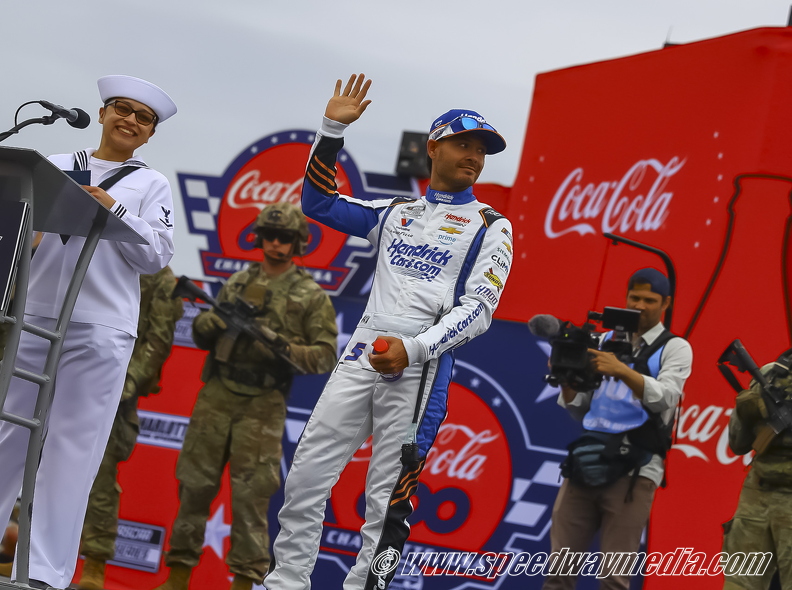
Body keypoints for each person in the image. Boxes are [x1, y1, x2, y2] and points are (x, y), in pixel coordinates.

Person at [264, 74, 513, 590]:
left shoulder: (492, 225)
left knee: (386, 502)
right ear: (433, 148)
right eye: (464, 144)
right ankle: (285, 582)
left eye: (481, 150)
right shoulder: (396, 212)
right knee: (306, 476)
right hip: (361, 353)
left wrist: (414, 349)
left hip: (421, 366)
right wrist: (332, 130)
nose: (474, 156)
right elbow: (318, 204)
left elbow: (480, 310)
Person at [0, 74, 177, 590]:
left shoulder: (151, 184)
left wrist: (114, 209)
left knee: (72, 449)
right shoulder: (53, 166)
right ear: (101, 113)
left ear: (150, 133)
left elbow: (156, 256)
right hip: (35, 316)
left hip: (101, 325)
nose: (129, 120)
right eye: (121, 108)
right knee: (6, 434)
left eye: (143, 118)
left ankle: (43, 572)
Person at [153, 202, 338, 590]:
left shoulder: (311, 295)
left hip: (263, 403)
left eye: (284, 237)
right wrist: (214, 321)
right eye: (268, 235)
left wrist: (279, 346)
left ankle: (244, 580)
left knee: (251, 498)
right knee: (194, 486)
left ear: (298, 242)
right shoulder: (237, 282)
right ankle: (178, 576)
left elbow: (325, 356)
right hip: (217, 394)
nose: (275, 243)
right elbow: (201, 335)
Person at [542, 268, 693, 590]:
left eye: (649, 300)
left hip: (636, 469)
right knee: (558, 573)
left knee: (614, 579)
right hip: (585, 460)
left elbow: (667, 397)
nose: (639, 306)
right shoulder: (602, 340)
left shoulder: (675, 347)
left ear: (665, 303)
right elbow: (581, 408)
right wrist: (567, 380)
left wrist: (622, 370)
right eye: (634, 297)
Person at [77, 266, 184, 590]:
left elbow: (158, 342)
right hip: (74, 373)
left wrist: (125, 383)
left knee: (101, 476)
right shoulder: (98, 260)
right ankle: (29, 552)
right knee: (44, 469)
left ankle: (95, 562)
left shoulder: (162, 280)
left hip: (116, 390)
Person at [722, 351, 792, 590]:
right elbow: (738, 444)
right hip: (757, 495)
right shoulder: (769, 374)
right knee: (738, 584)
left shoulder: (770, 372)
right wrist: (748, 409)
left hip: (759, 495)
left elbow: (737, 443)